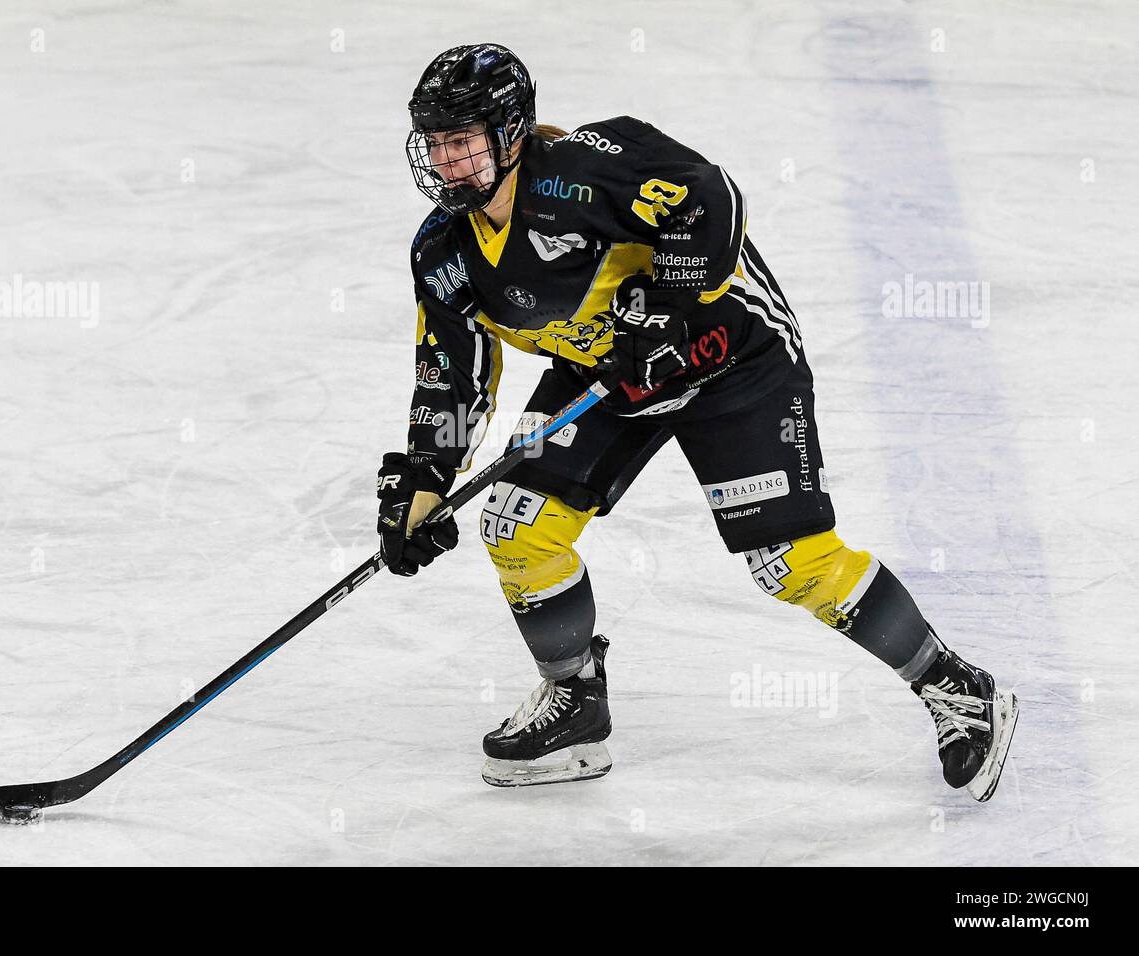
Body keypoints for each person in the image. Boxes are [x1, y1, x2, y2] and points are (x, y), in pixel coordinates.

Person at [375, 42, 1018, 796]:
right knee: (517, 527)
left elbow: (708, 198)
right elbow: (450, 374)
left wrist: (667, 314)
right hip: (607, 378)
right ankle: (577, 705)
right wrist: (423, 475)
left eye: (464, 141)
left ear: (512, 130)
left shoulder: (582, 171)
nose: (449, 162)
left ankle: (957, 687)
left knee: (792, 561)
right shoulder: (444, 253)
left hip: (729, 359)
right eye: (438, 144)